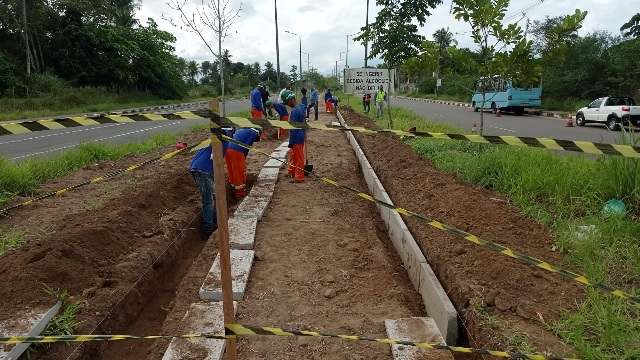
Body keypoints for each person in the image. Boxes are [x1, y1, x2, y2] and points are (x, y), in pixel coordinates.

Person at [190, 128, 232, 240]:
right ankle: (208, 230)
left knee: (211, 198)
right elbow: (222, 132)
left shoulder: (214, 139)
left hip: (198, 168)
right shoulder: (224, 138)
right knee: (208, 200)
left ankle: (214, 223)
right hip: (203, 170)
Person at [225, 128, 261, 199]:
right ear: (258, 133)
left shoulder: (241, 130)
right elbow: (246, 146)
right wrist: (243, 157)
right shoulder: (253, 133)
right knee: (239, 171)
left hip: (226, 149)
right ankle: (240, 193)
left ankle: (233, 188)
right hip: (236, 150)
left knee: (232, 170)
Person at [281, 89, 306, 183]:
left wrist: (291, 142)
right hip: (300, 135)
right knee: (294, 155)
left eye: (287, 102)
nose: (287, 104)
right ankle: (292, 172)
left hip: (297, 138)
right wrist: (304, 95)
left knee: (298, 157)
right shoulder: (301, 107)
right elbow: (305, 104)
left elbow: (294, 129)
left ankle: (299, 177)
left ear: (291, 99)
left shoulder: (295, 111)